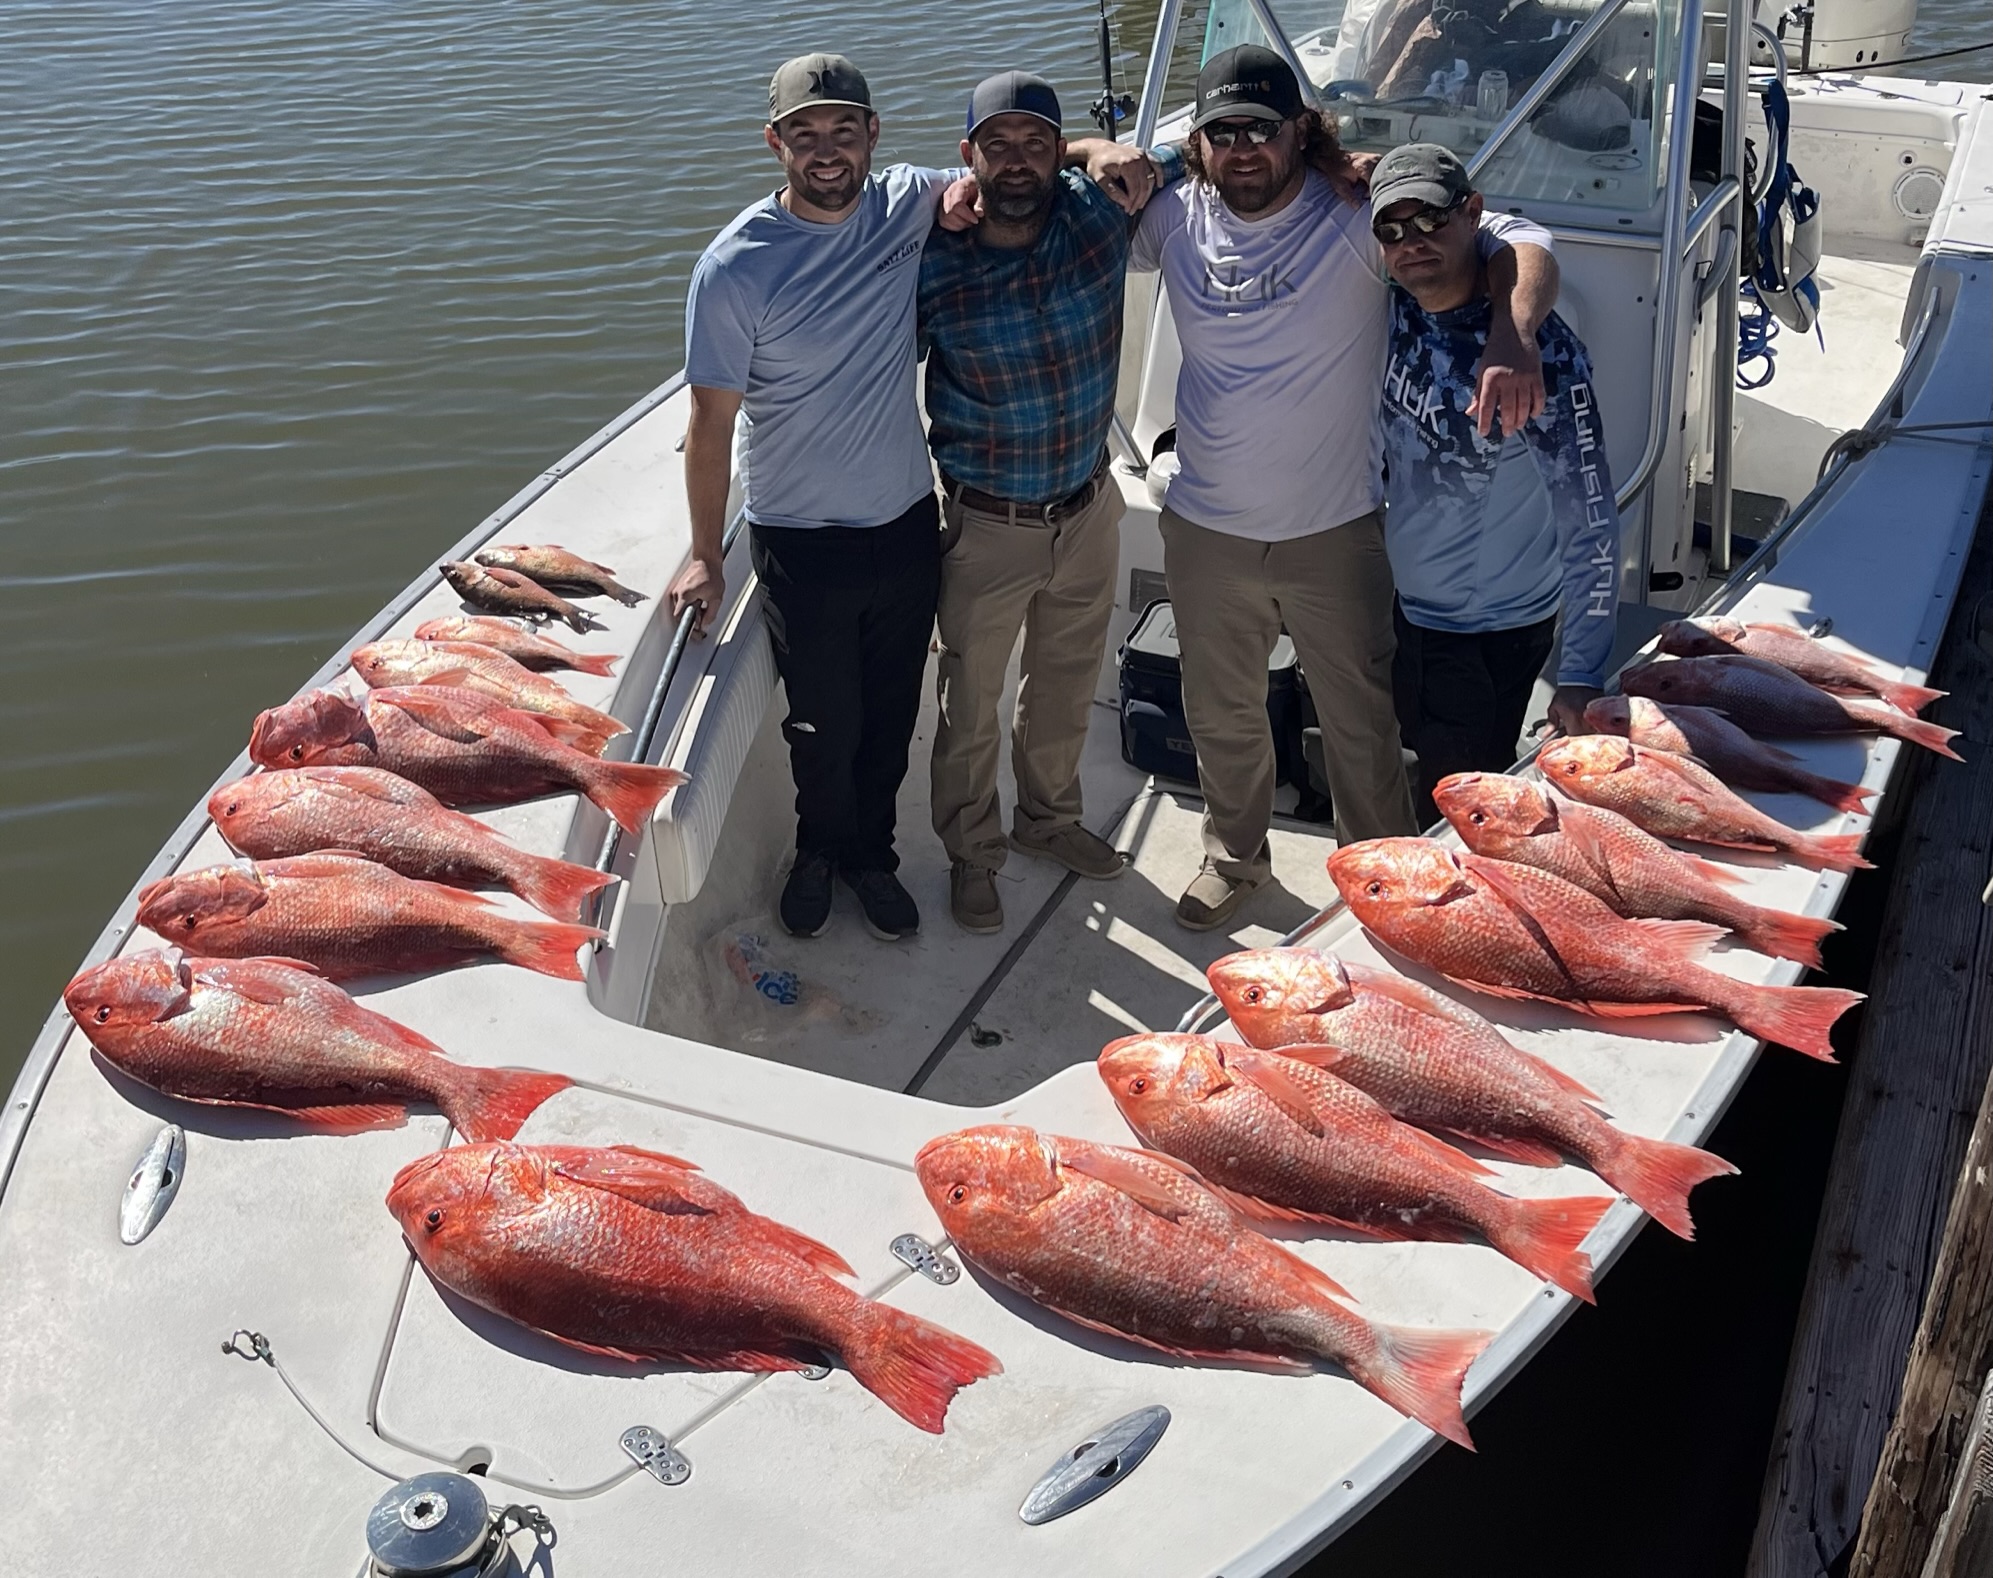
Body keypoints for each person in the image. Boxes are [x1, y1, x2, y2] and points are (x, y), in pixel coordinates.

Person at [669, 54, 1151, 943]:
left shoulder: (906, 201)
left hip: (903, 522)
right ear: (774, 142)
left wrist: (1095, 147)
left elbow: (1010, 166)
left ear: (872, 135)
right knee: (822, 723)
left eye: (842, 130)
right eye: (805, 133)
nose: (826, 150)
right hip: (798, 533)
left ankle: (873, 859)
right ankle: (819, 852)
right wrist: (706, 552)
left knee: (890, 714)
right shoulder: (734, 266)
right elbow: (708, 419)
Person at [1127, 45, 1559, 930]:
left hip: (1336, 530)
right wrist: (1102, 153)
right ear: (1198, 143)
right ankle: (1233, 858)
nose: (1242, 149)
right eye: (1220, 132)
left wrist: (1512, 337)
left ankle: (1382, 881)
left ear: (1300, 130)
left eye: (1260, 128)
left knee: (1362, 723)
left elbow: (1526, 240)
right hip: (1204, 525)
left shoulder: (1359, 216)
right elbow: (1074, 200)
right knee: (1220, 711)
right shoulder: (1171, 216)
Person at [918, 73, 1185, 934]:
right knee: (970, 704)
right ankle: (972, 852)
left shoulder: (1098, 210)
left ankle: (1048, 819)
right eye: (996, 146)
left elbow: (1202, 152)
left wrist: (1343, 164)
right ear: (966, 156)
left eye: (1036, 144)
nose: (1017, 162)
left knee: (1066, 685)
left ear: (1057, 153)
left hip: (1088, 505)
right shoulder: (929, 258)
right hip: (986, 523)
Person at [1371, 143, 1619, 825]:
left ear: (1472, 213)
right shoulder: (1400, 303)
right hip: (1410, 614)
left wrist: (1581, 674)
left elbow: (1591, 525)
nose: (1411, 242)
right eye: (1392, 229)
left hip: (1487, 639)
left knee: (1465, 819)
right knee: (1419, 774)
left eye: (1430, 220)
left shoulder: (1543, 361)